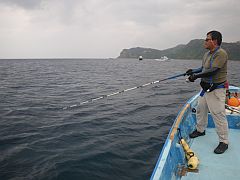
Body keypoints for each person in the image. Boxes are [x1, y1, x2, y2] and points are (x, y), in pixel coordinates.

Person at [185, 30, 229, 154]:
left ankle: (224, 142)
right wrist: (193, 71)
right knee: (200, 109)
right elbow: (204, 68)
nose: (204, 41)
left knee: (218, 114)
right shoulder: (207, 54)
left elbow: (213, 71)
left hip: (217, 89)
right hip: (205, 88)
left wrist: (195, 76)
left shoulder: (221, 53)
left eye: (207, 39)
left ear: (214, 41)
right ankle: (200, 130)